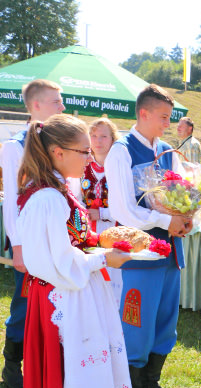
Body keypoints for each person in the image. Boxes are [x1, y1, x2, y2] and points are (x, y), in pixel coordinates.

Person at [16, 114, 132, 388]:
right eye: (83, 151)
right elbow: (56, 262)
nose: (90, 158)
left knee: (70, 371)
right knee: (63, 372)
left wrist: (101, 242)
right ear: (56, 151)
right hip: (60, 301)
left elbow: (71, 243)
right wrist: (103, 258)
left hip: (73, 294)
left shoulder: (62, 189)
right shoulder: (47, 198)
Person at [105, 84, 192, 388]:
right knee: (136, 321)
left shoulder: (168, 150)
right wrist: (164, 219)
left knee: (165, 320)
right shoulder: (121, 151)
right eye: (163, 118)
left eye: (169, 118)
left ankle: (150, 383)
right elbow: (123, 209)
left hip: (170, 248)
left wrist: (187, 217)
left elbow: (184, 192)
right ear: (143, 114)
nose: (167, 124)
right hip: (141, 256)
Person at [0, 79, 65, 388]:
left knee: (56, 304)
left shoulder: (58, 142)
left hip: (59, 241)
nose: (62, 106)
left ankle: (47, 363)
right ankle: (12, 364)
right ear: (36, 105)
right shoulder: (14, 147)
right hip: (29, 242)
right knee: (24, 305)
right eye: (56, 101)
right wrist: (19, 246)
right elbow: (11, 201)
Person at [81, 118, 122, 304]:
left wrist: (103, 213)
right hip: (86, 232)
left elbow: (126, 206)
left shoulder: (120, 168)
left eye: (104, 136)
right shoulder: (81, 166)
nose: (98, 141)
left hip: (114, 231)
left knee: (113, 281)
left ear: (113, 139)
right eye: (94, 136)